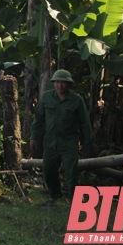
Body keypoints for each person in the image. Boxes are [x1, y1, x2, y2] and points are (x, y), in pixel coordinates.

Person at [30, 69, 94, 206]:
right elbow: (38, 119)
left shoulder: (77, 101)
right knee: (49, 171)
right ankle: (54, 197)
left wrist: (88, 144)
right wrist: (33, 137)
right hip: (50, 143)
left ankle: (74, 202)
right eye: (57, 82)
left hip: (69, 143)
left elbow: (85, 124)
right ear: (53, 83)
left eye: (63, 83)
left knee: (71, 174)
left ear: (68, 84)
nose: (60, 85)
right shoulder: (46, 97)